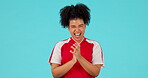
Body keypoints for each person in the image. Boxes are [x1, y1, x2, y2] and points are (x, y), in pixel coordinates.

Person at [48, 3, 104, 78]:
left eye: (80, 26)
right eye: (73, 26)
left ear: (84, 26)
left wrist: (79, 57)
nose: (77, 30)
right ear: (68, 28)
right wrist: (73, 61)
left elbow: (96, 72)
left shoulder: (94, 45)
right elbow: (55, 74)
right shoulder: (60, 45)